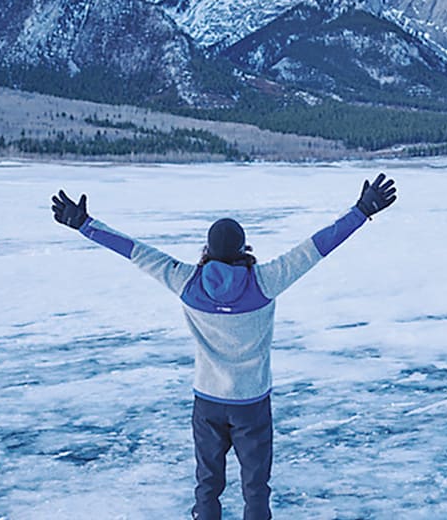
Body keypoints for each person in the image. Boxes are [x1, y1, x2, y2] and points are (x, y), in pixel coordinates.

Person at [50, 174, 398, 520]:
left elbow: (136, 252)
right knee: (256, 487)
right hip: (251, 404)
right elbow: (316, 247)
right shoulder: (265, 281)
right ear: (244, 249)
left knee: (207, 483)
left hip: (208, 403)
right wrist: (362, 211)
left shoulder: (185, 280)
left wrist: (84, 224)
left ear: (207, 250)